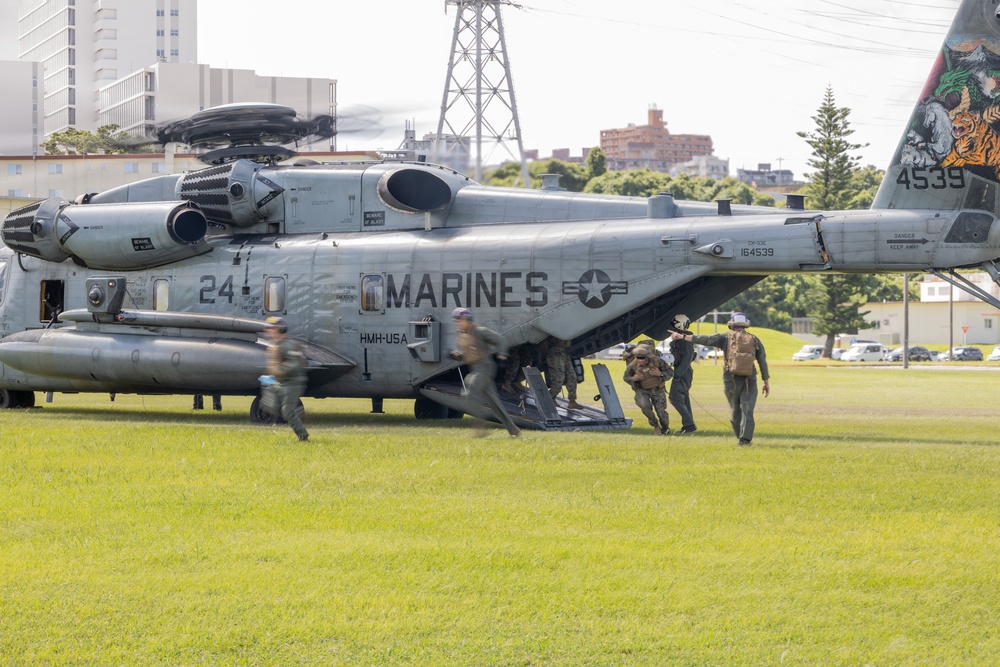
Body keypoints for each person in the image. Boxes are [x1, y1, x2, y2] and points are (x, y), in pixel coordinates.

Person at [670, 312, 769, 446]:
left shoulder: (725, 337)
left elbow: (704, 339)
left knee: (735, 410)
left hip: (730, 379)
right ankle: (745, 439)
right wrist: (765, 381)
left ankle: (740, 436)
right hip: (749, 379)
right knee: (748, 409)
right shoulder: (754, 339)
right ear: (745, 324)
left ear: (732, 324)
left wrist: (681, 336)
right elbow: (762, 361)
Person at [449, 308, 521, 437]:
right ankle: (513, 429)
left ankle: (480, 428)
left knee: (468, 392)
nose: (457, 322)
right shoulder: (461, 334)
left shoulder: (480, 331)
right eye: (455, 320)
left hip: (485, 368)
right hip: (475, 368)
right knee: (495, 403)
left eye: (459, 320)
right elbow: (465, 354)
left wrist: (502, 355)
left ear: (466, 319)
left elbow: (501, 339)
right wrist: (456, 356)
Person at [264, 316, 310, 442]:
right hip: (279, 382)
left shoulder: (289, 345)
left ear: (280, 329)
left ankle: (303, 436)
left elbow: (295, 363)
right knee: (270, 407)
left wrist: (280, 371)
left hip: (292, 382)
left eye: (271, 328)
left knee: (286, 411)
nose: (268, 330)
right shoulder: (273, 345)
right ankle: (298, 412)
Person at [623, 344, 673, 435]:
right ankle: (654, 424)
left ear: (648, 357)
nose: (640, 360)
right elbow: (626, 377)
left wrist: (660, 374)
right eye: (638, 358)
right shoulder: (633, 365)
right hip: (642, 390)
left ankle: (665, 428)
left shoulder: (658, 361)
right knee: (644, 405)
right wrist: (634, 379)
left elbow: (670, 372)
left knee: (661, 413)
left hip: (657, 389)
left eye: (643, 358)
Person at [668, 314, 697, 434]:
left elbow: (687, 357)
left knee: (675, 398)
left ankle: (689, 424)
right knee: (684, 398)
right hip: (682, 370)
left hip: (683, 372)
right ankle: (688, 425)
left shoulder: (686, 339)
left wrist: (678, 373)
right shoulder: (681, 338)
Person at [545, 337, 581, 409]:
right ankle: (551, 398)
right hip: (554, 351)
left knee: (572, 376)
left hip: (564, 351)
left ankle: (572, 401)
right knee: (559, 377)